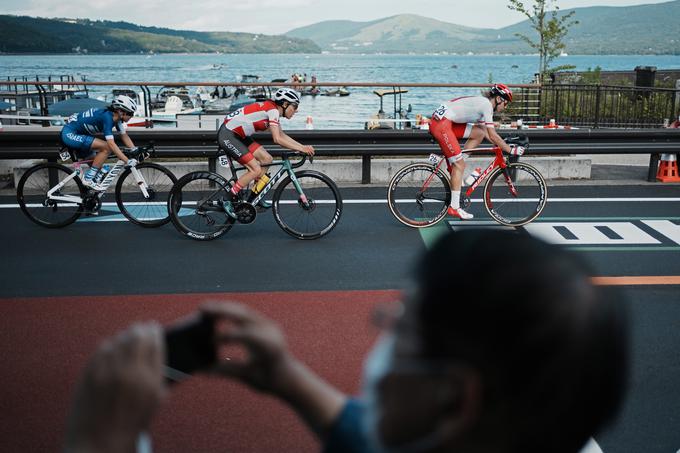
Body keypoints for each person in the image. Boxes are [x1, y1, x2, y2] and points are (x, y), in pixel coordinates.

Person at [65, 230, 629, 453]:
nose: (380, 329)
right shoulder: (536, 431)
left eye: (401, 327)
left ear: (459, 396)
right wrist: (287, 379)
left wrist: (104, 444)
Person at [429, 84, 525, 220]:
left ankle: (456, 165)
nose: (506, 107)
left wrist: (502, 143)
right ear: (498, 99)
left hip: (445, 121)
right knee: (460, 165)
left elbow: (485, 132)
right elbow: (492, 135)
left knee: (478, 133)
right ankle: (454, 207)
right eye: (505, 103)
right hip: (441, 125)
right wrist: (510, 149)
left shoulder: (483, 104)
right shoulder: (487, 106)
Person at [217, 87, 314, 217]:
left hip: (239, 136)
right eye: (295, 106)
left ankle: (254, 197)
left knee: (267, 159)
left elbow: (282, 135)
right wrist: (302, 149)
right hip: (228, 135)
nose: (296, 110)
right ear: (285, 104)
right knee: (255, 169)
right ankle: (227, 198)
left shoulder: (273, 110)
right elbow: (277, 139)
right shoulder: (273, 110)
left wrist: (303, 147)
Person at [60, 95, 139, 189]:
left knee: (98, 169)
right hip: (70, 134)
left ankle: (88, 194)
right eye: (130, 113)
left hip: (80, 135)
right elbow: (111, 144)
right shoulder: (107, 118)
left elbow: (124, 136)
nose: (131, 116)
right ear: (120, 111)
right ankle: (88, 179)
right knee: (107, 147)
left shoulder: (116, 119)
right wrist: (127, 161)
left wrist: (135, 150)